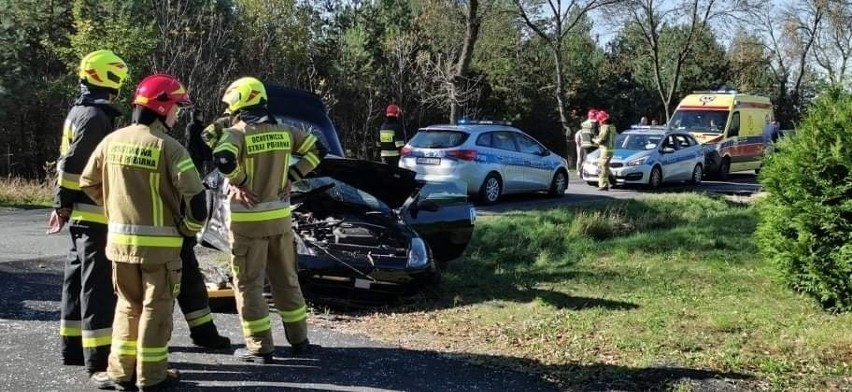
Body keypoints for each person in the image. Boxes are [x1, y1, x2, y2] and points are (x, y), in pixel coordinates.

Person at [81, 74, 204, 391]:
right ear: (161, 107)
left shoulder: (111, 141)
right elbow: (197, 199)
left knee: (126, 306)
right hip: (160, 251)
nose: (178, 113)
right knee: (155, 308)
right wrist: (188, 229)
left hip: (120, 246)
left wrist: (115, 211)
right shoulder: (170, 148)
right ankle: (151, 377)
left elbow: (87, 182)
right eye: (176, 107)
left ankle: (120, 373)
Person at [208, 76, 327, 364]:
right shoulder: (285, 131)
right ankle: (299, 341)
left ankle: (260, 347)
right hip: (280, 223)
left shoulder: (237, 134)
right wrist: (293, 176)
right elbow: (319, 148)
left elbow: (222, 157)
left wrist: (240, 180)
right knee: (286, 280)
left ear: (239, 103)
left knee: (249, 285)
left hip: (248, 224)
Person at [48, 49, 127, 379]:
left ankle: (73, 348)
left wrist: (63, 204)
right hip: (93, 213)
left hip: (81, 212)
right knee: (96, 286)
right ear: (108, 77)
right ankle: (98, 357)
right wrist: (61, 202)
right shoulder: (95, 118)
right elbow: (73, 166)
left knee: (76, 280)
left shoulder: (80, 111)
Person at [593, 110, 616, 191]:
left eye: (599, 121)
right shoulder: (612, 126)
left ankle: (603, 185)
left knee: (602, 167)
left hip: (605, 150)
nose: (599, 122)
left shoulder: (605, 127)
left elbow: (602, 138)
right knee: (606, 166)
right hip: (611, 149)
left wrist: (595, 140)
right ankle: (613, 180)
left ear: (602, 120)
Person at [575, 109, 598, 175]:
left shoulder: (584, 124)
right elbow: (595, 135)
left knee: (583, 158)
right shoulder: (593, 125)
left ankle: (579, 171)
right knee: (590, 159)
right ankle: (586, 171)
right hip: (592, 144)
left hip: (584, 143)